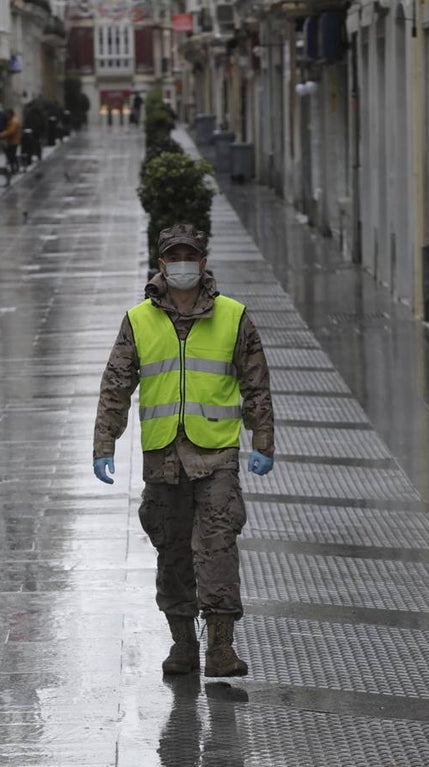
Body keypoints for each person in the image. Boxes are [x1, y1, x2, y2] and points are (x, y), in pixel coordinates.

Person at [92, 224, 275, 678]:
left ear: (204, 263)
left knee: (217, 548)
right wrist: (104, 443)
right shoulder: (139, 320)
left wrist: (263, 440)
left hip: (215, 455)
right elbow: (116, 385)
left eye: (189, 256)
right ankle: (181, 644)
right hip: (163, 458)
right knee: (172, 551)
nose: (182, 264)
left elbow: (256, 383)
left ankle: (220, 647)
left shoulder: (233, 316)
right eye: (174, 257)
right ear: (161, 265)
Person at [0, 108, 22, 174]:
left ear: (10, 114)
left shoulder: (14, 121)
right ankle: (15, 168)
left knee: (11, 156)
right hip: (12, 141)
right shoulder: (12, 120)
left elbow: (11, 131)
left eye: (7, 114)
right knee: (12, 156)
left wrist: (2, 135)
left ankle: (14, 169)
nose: (6, 115)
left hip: (13, 141)